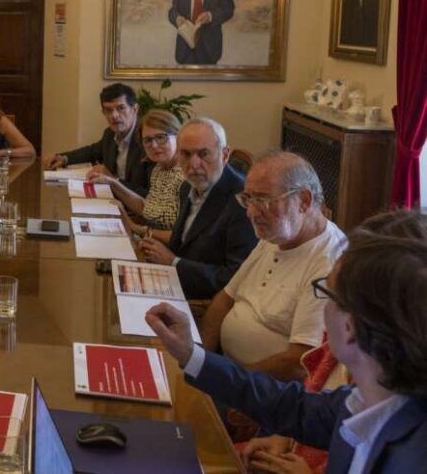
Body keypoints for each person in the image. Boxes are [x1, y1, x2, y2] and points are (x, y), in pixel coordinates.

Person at [146, 209, 427, 474]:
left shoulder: (413, 457)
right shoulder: (370, 396)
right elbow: (290, 405)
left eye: (326, 293)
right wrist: (190, 354)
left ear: (350, 326)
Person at [199, 151, 346, 382]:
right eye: (248, 199)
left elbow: (300, 362)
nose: (251, 212)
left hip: (259, 391)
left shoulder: (328, 262)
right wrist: (201, 361)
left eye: (263, 200)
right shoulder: (278, 234)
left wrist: (224, 380)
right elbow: (224, 300)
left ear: (304, 201)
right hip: (226, 369)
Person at [139, 118, 257, 299]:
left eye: (203, 154)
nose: (193, 164)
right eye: (185, 154)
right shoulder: (187, 187)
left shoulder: (242, 201)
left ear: (225, 155)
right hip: (173, 285)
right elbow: (183, 246)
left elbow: (236, 278)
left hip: (203, 301)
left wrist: (174, 263)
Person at [89, 109, 184, 243]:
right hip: (150, 242)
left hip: (168, 252)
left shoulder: (188, 175)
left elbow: (185, 237)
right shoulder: (159, 169)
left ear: (178, 137)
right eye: (148, 140)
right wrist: (113, 183)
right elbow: (147, 207)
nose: (154, 145)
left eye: (161, 137)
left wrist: (134, 226)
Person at [42, 83, 152, 196]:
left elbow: (150, 194)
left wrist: (112, 180)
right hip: (111, 199)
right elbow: (92, 151)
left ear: (135, 109)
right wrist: (63, 158)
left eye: (120, 108)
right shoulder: (109, 134)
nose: (114, 115)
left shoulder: (149, 140)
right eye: (108, 110)